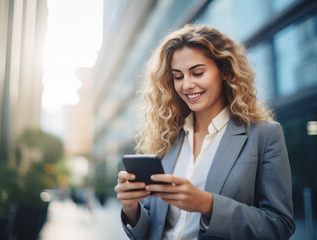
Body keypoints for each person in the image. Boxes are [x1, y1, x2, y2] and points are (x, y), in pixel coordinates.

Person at [114, 24, 295, 240]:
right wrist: (131, 208)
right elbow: (152, 228)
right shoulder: (167, 139)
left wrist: (208, 204)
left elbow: (280, 225)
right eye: (178, 76)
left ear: (226, 71)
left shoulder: (264, 136)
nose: (187, 85)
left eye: (197, 72)